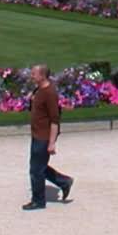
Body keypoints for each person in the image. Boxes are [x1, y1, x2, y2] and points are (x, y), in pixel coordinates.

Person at [23, 63, 73, 210]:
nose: (31, 76)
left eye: (34, 74)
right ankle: (64, 182)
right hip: (37, 134)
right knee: (39, 167)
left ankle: (38, 201)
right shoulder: (39, 89)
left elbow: (55, 120)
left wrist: (52, 143)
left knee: (35, 170)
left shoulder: (50, 93)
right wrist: (32, 98)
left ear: (42, 75)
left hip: (44, 137)